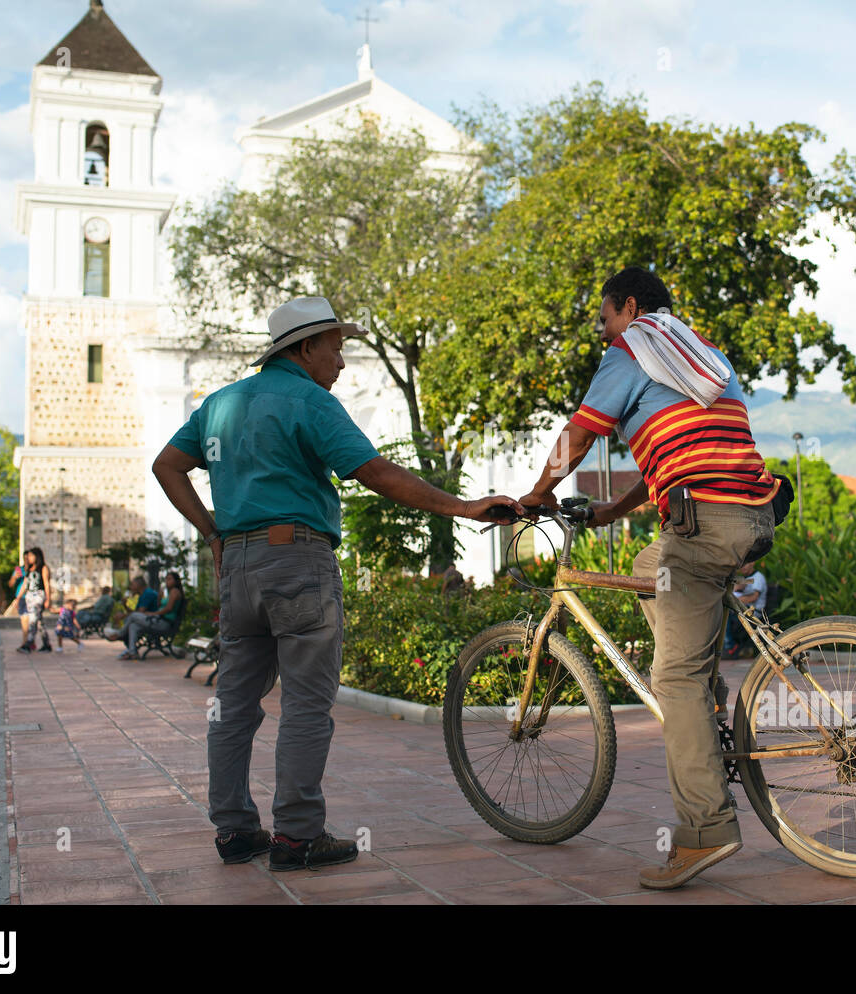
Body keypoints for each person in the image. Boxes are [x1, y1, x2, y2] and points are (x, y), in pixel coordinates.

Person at [151, 295, 524, 872]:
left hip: (239, 567)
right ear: (305, 348)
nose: (342, 362)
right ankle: (298, 835)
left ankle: (233, 830)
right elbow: (374, 473)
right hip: (296, 561)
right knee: (305, 704)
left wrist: (211, 532)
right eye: (336, 347)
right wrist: (465, 507)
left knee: (233, 705)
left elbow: (167, 465)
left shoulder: (219, 403)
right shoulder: (309, 401)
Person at [520, 267, 777, 891]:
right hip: (752, 512)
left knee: (672, 677)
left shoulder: (633, 346)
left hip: (704, 526)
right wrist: (611, 510)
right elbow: (674, 454)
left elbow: (579, 436)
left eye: (604, 316)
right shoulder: (697, 351)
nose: (604, 330)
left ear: (628, 307)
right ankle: (704, 702)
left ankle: (704, 831)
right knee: (647, 570)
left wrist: (535, 494)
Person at [106, 572, 185, 659]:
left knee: (133, 616)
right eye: (166, 579)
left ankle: (120, 634)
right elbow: (159, 607)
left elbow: (168, 609)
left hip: (164, 623)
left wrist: (153, 613)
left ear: (176, 581)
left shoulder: (174, 592)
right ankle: (132, 652)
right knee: (133, 626)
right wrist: (159, 597)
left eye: (169, 579)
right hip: (156, 620)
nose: (166, 581)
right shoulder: (168, 593)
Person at [722, 561, 767, 659]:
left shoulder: (758, 577)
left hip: (753, 612)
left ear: (752, 563)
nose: (743, 567)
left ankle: (730, 647)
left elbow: (754, 597)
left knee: (724, 616)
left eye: (745, 563)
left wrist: (734, 600)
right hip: (741, 610)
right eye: (741, 565)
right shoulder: (745, 578)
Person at [16, 547, 53, 653]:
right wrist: (18, 598)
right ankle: (46, 644)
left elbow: (46, 584)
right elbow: (25, 584)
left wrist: (48, 599)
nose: (29, 558)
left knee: (33, 619)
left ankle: (28, 643)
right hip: (30, 596)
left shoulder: (43, 568)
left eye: (32, 556)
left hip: (39, 595)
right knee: (39, 622)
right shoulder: (29, 569)